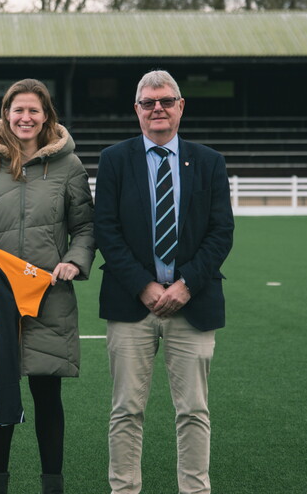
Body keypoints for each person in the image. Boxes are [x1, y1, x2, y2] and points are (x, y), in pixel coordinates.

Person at [94, 70, 234, 494]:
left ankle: (195, 490)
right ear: (136, 110)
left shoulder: (209, 161)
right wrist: (145, 285)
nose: (158, 108)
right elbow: (106, 230)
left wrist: (186, 285)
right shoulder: (114, 159)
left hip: (193, 305)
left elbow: (221, 231)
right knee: (126, 410)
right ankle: (124, 490)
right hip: (130, 304)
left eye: (166, 101)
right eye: (149, 102)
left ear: (180, 107)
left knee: (193, 410)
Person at [0, 78, 95, 494]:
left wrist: (73, 260)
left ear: (46, 115)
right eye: (18, 110)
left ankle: (53, 484)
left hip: (49, 296)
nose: (25, 117)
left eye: (34, 110)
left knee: (47, 394)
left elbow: (85, 227)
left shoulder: (69, 166)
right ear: (6, 114)